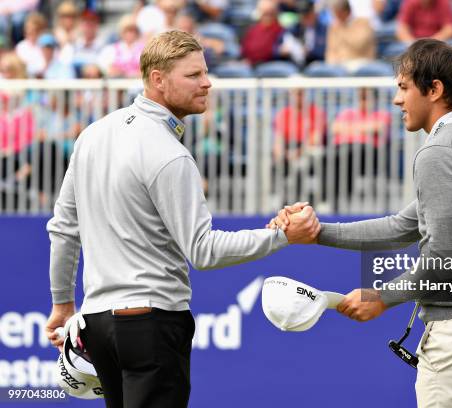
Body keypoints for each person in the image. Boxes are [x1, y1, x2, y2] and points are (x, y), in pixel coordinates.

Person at [44, 30, 319, 408]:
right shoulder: (168, 153)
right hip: (149, 324)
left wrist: (62, 304)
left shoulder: (92, 135)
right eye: (193, 75)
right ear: (157, 79)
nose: (207, 83)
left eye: (205, 73)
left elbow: (62, 229)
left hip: (97, 325)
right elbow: (204, 251)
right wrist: (283, 236)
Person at [271, 39, 452, 408]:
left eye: (403, 88)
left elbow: (446, 256)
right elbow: (402, 226)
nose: (397, 100)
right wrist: (318, 234)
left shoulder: (437, 152)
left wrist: (382, 297)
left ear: (435, 90)